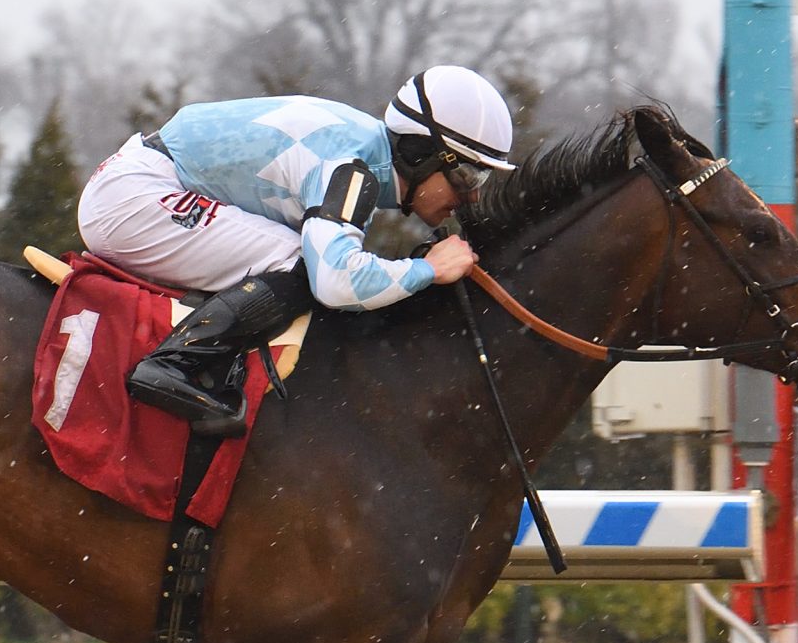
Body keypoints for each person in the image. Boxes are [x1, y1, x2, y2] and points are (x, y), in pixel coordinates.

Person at [76, 65, 516, 437]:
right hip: (134, 197)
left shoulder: (363, 151)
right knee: (300, 264)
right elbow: (335, 282)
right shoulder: (355, 168)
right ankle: (171, 366)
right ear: (421, 155)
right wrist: (426, 269)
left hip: (141, 181)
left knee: (295, 255)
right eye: (469, 179)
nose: (473, 198)